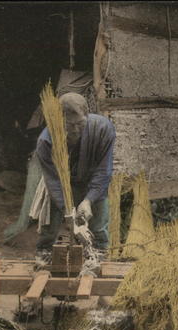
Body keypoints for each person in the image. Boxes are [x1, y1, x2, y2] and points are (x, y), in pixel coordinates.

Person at [34, 92, 115, 265]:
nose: (76, 130)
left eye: (80, 123)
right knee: (51, 221)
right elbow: (53, 181)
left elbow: (103, 170)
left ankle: (98, 251)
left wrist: (88, 200)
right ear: (59, 120)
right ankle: (45, 250)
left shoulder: (103, 129)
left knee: (98, 221)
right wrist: (67, 208)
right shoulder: (46, 141)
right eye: (69, 125)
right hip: (61, 184)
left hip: (91, 181)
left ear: (88, 114)